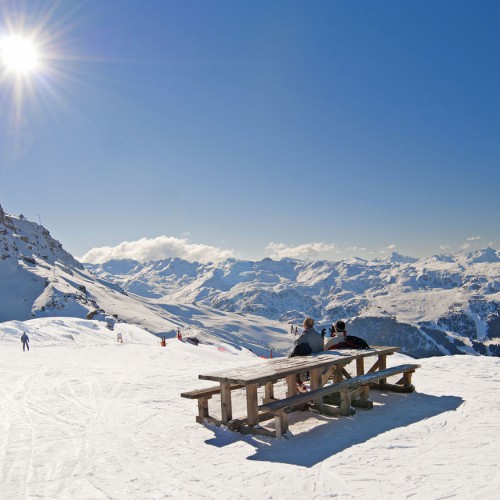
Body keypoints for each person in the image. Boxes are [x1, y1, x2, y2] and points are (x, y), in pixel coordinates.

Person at [289, 318, 324, 392]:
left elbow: (297, 350)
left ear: (304, 325)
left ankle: (297, 388)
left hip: (309, 365)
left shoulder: (304, 336)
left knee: (291, 367)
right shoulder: (318, 336)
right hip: (321, 363)